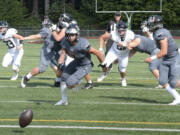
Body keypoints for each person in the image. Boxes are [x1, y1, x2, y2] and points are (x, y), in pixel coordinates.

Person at [55, 24, 104, 105]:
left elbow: (97, 52)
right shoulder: (65, 42)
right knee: (63, 78)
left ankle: (79, 81)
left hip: (86, 65)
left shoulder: (83, 44)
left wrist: (103, 64)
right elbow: (63, 54)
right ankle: (64, 100)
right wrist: (60, 62)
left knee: (70, 84)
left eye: (72, 35)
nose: (70, 37)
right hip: (76, 62)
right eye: (69, 35)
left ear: (77, 35)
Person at [52, 13, 93, 89]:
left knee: (76, 66)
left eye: (61, 19)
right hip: (68, 47)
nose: (59, 20)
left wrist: (54, 31)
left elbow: (58, 38)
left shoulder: (68, 27)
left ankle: (75, 82)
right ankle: (59, 81)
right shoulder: (68, 25)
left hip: (72, 48)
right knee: (71, 66)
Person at [145, 15, 180, 105]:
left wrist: (151, 58)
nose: (149, 25)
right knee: (162, 81)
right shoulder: (156, 32)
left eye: (151, 24)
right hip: (166, 59)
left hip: (174, 58)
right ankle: (178, 98)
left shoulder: (161, 33)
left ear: (156, 24)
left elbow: (164, 51)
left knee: (173, 83)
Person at [21, 17, 60, 88]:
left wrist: (33, 42)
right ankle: (26, 77)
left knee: (59, 67)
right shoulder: (47, 30)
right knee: (42, 69)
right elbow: (36, 36)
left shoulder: (56, 30)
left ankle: (58, 82)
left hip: (54, 51)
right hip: (47, 51)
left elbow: (44, 40)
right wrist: (24, 38)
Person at [98, 21, 135, 86]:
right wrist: (100, 49)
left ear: (126, 30)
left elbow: (133, 47)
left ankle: (123, 79)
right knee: (105, 64)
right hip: (114, 51)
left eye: (122, 30)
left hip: (124, 54)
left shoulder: (131, 35)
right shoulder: (113, 33)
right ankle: (104, 74)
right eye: (119, 30)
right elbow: (102, 37)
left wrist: (125, 45)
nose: (121, 32)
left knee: (122, 69)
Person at [97, 11, 122, 82]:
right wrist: (105, 40)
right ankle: (107, 70)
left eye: (118, 16)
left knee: (120, 57)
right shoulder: (110, 22)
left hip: (119, 41)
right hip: (110, 41)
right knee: (107, 55)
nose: (117, 17)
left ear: (120, 16)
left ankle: (122, 74)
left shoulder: (122, 23)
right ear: (114, 16)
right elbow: (107, 31)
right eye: (116, 15)